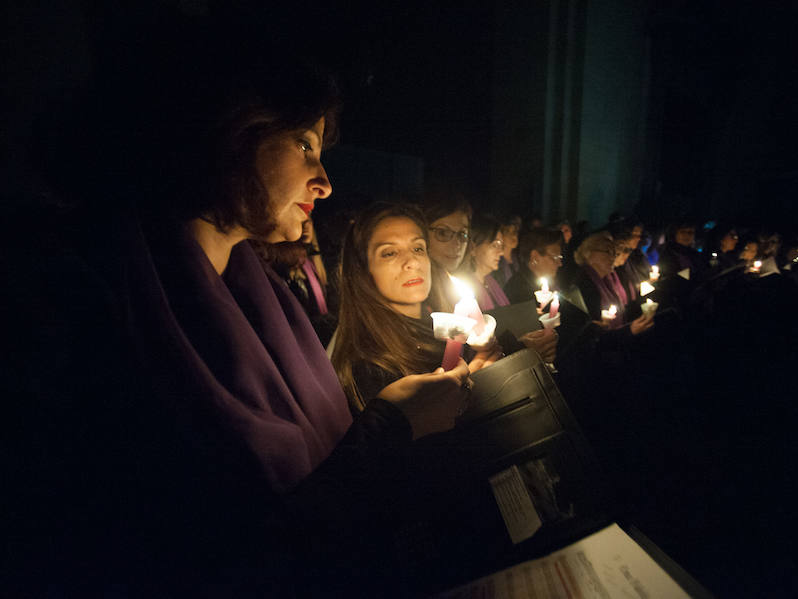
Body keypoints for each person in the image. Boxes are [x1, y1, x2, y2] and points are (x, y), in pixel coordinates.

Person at [10, 60, 472, 594]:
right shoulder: (86, 303)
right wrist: (390, 424)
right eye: (303, 145)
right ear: (228, 133)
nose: (323, 183)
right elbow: (198, 550)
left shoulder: (261, 295)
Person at [331, 202, 498, 410]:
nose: (412, 261)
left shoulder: (444, 326)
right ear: (364, 271)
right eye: (389, 253)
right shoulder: (368, 364)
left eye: (418, 248)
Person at [459, 213, 557, 363]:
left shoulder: (491, 282)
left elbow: (508, 319)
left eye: (502, 246)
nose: (500, 252)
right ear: (473, 247)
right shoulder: (466, 290)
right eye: (495, 245)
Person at [572, 232, 654, 336]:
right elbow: (591, 332)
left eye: (614, 253)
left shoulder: (609, 279)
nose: (613, 257)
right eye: (607, 252)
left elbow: (624, 309)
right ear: (589, 254)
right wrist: (629, 331)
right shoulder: (583, 284)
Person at [503, 227, 565, 304]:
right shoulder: (519, 290)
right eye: (555, 258)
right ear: (535, 257)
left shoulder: (551, 283)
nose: (560, 264)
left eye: (560, 258)